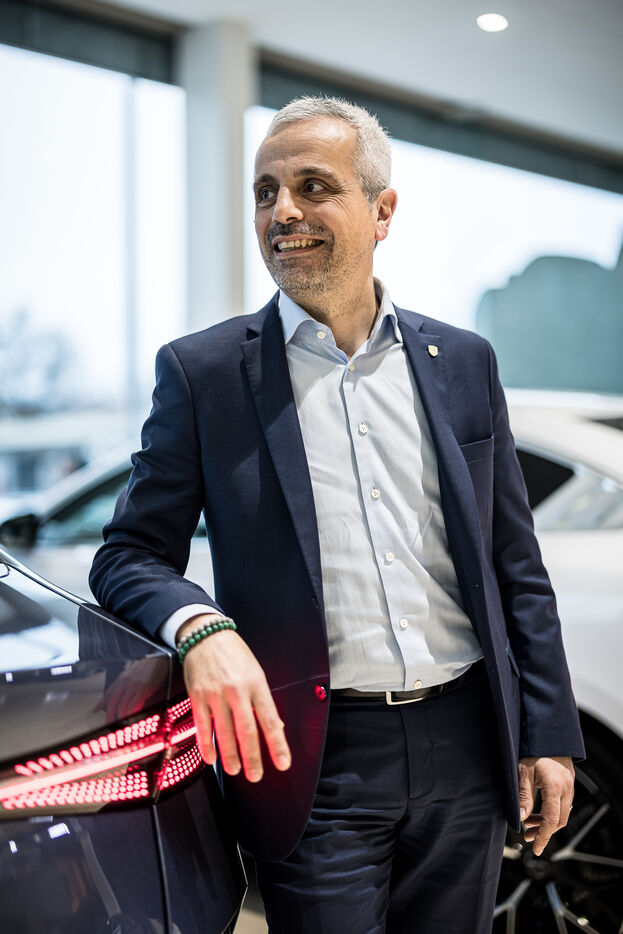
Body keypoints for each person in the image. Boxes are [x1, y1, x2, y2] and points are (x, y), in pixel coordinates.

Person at [90, 96, 585, 934]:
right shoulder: (206, 374)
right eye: (265, 192)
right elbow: (128, 554)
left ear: (381, 211)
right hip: (315, 758)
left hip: (468, 743)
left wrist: (548, 730)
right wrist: (203, 630)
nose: (282, 211)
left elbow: (515, 564)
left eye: (312, 187)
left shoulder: (463, 362)